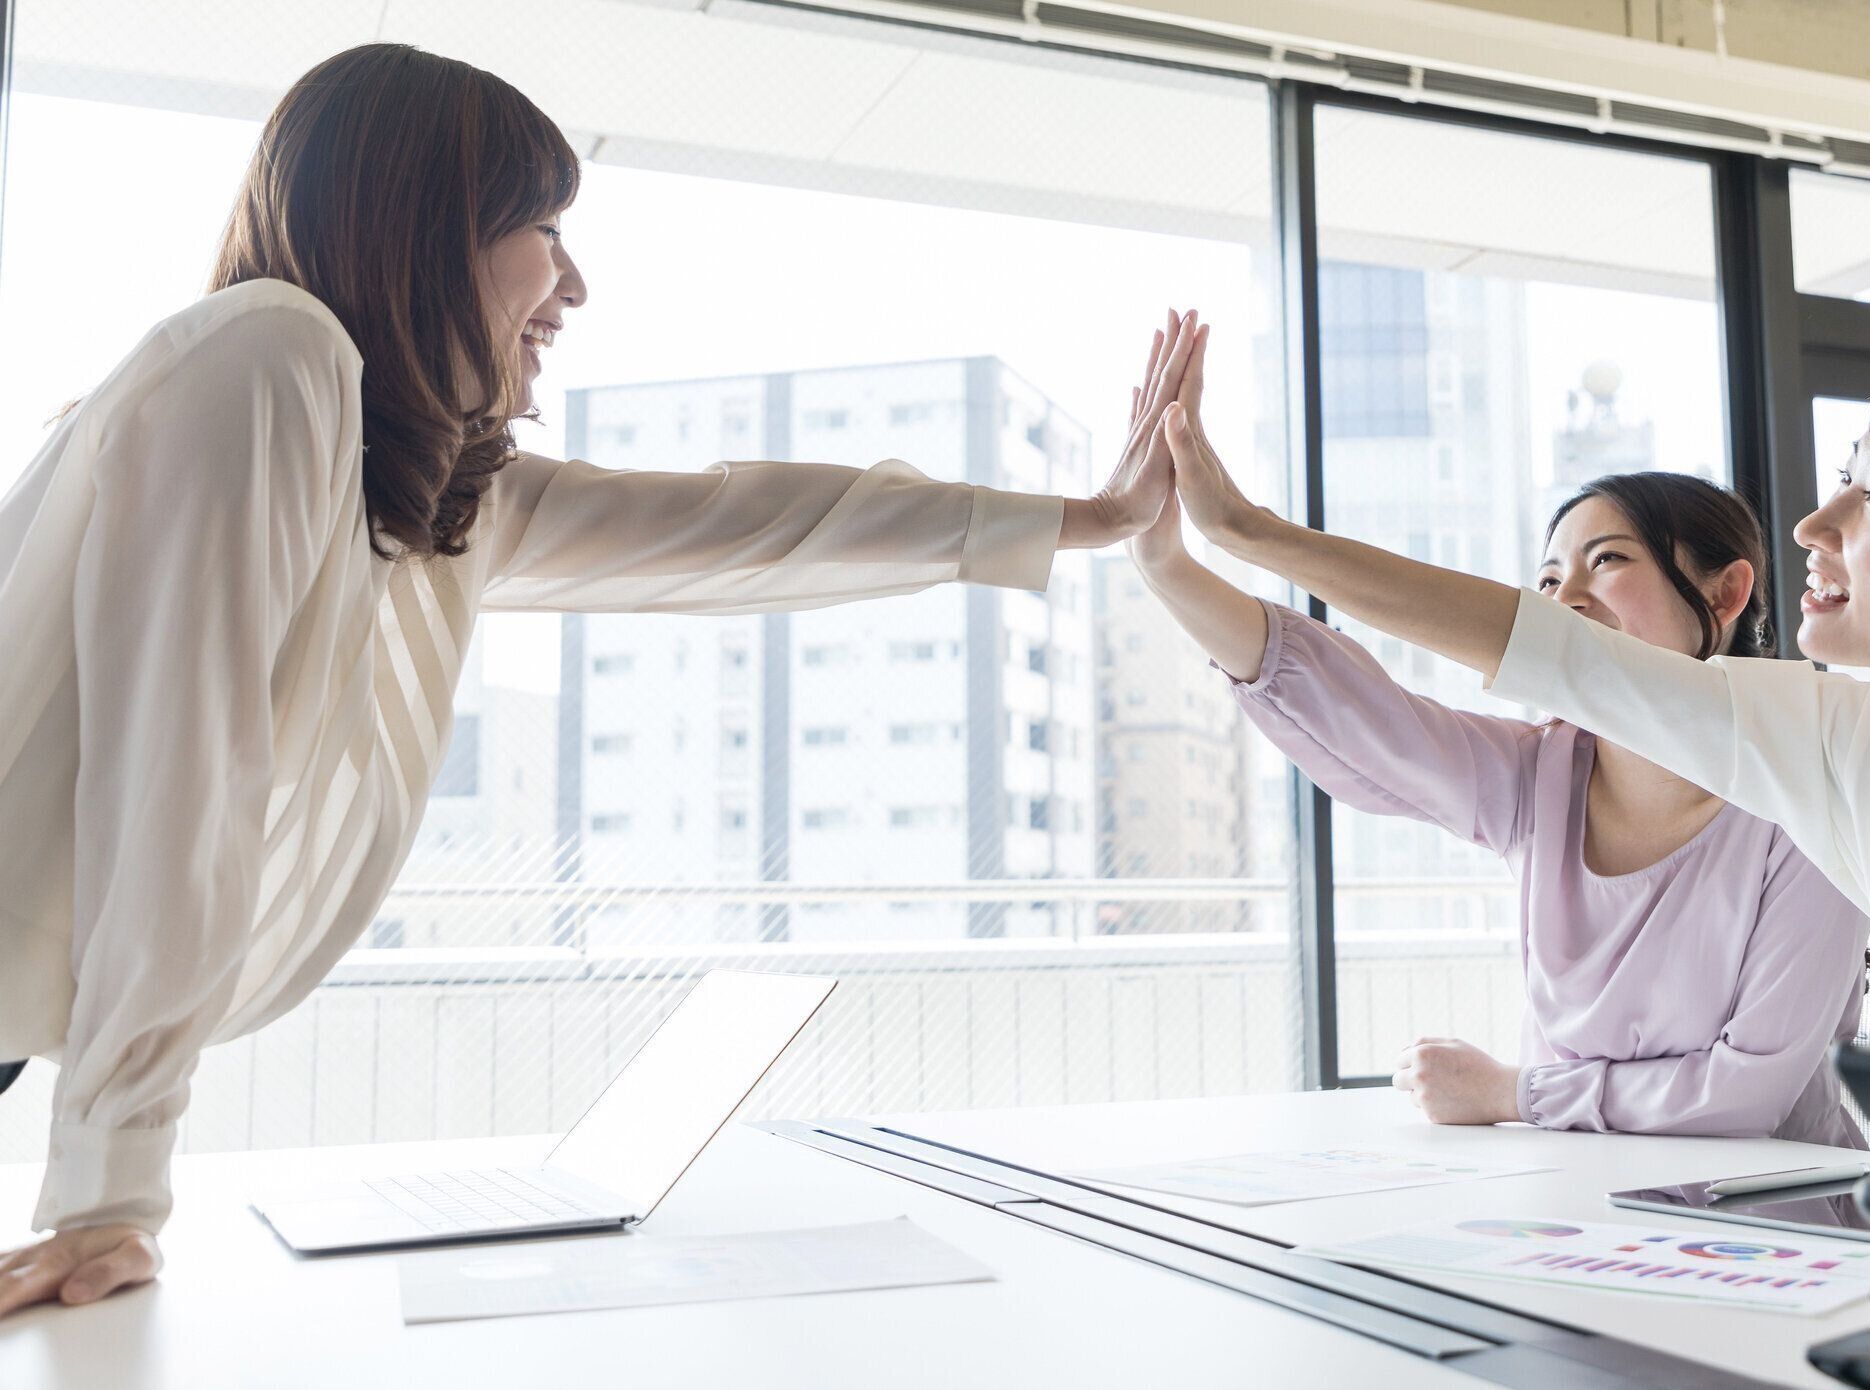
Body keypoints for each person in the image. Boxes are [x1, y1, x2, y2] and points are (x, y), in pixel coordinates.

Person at [0, 42, 1200, 1316]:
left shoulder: (414, 476)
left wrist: (1089, 514)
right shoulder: (267, 356)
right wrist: (108, 1196)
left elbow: (739, 525)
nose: (572, 282)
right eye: (540, 228)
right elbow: (178, 782)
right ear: (417, 228)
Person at [1153, 327, 1870, 1146]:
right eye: (1850, 476)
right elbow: (1546, 655)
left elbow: (1749, 1093)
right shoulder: (1848, 751)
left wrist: (1519, 1090)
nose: (1815, 523)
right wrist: (1247, 534)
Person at [1127, 347, 1869, 1143]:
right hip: (1582, 1216)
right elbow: (1345, 706)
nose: (1565, 599)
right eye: (1547, 580)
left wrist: (1515, 1094)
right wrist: (1163, 561)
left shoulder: (1808, 789)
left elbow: (1744, 1095)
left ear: (1725, 593)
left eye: (1607, 560)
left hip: (1774, 1234)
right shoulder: (1537, 778)